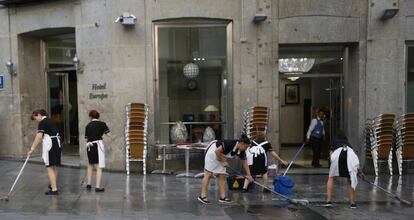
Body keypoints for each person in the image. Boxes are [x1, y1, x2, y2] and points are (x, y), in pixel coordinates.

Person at [198, 136, 254, 204]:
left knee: (222, 175)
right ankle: (202, 196)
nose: (246, 149)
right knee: (208, 174)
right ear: (242, 143)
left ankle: (223, 197)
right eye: (246, 147)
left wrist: (249, 175)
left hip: (221, 156)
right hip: (212, 153)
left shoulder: (241, 151)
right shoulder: (230, 144)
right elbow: (217, 151)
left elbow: (245, 162)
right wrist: (223, 161)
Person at [28, 109, 62, 195]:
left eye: (35, 118)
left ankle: (54, 189)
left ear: (38, 115)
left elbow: (39, 137)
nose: (36, 121)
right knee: (53, 166)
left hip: (51, 144)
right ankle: (53, 184)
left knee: (49, 167)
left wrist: (32, 149)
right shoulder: (50, 121)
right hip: (56, 143)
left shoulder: (42, 122)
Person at [325, 131, 362, 209]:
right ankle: (352, 203)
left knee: (331, 177)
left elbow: (331, 154)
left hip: (337, 156)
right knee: (350, 179)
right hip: (349, 156)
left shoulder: (333, 141)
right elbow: (354, 160)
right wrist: (359, 172)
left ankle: (329, 201)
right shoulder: (348, 144)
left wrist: (332, 163)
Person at [85, 110, 111, 192]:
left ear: (90, 117)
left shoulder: (88, 125)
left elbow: (86, 137)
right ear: (98, 116)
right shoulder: (102, 124)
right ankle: (97, 187)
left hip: (89, 146)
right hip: (98, 145)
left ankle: (89, 184)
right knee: (99, 166)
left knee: (90, 164)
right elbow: (109, 135)